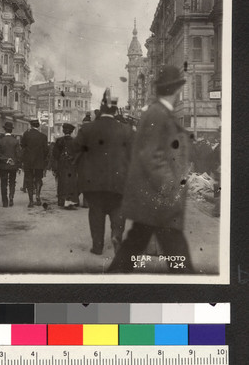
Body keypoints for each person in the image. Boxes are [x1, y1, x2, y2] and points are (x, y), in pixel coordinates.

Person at [108, 65, 195, 273]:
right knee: (178, 257)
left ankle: (106, 284)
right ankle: (196, 291)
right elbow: (151, 156)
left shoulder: (159, 112)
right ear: (175, 90)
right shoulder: (158, 114)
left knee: (134, 246)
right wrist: (170, 186)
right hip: (159, 200)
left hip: (152, 201)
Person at [74, 89, 133, 255]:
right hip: (119, 180)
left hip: (93, 182)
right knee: (118, 210)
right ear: (115, 110)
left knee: (96, 212)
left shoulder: (87, 129)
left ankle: (97, 246)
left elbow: (75, 148)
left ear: (101, 108)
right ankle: (116, 235)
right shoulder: (127, 130)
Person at [21, 119, 48, 207]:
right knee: (38, 179)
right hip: (39, 162)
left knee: (29, 179)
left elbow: (23, 146)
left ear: (31, 125)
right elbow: (46, 150)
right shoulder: (43, 136)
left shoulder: (26, 134)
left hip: (28, 162)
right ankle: (37, 196)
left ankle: (31, 201)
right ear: (38, 126)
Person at [52, 123, 79, 209]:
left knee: (62, 182)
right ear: (71, 132)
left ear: (63, 131)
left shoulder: (59, 141)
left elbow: (55, 154)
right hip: (72, 165)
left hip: (62, 164)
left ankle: (63, 201)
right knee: (72, 183)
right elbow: (78, 154)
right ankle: (71, 202)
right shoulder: (75, 141)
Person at [0, 121, 21, 207]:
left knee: (3, 183)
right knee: (12, 182)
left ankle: (5, 201)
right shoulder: (15, 141)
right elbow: (18, 154)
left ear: (4, 130)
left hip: (3, 165)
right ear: (11, 131)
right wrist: (18, 165)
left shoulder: (0, 141)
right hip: (13, 165)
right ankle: (11, 197)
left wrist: (6, 159)